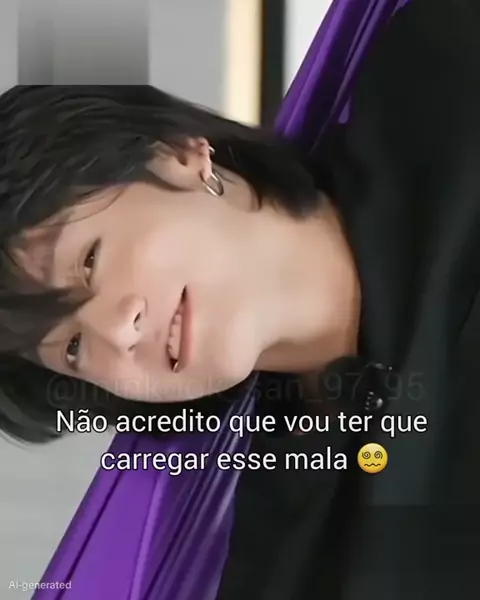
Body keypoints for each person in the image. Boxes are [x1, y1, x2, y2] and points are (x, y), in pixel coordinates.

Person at [1, 0, 479, 598]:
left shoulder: (449, 77)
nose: (117, 332)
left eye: (90, 261)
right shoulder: (278, 565)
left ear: (176, 155)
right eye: (72, 347)